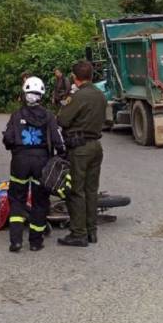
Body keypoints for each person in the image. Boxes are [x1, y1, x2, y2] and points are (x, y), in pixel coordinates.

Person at [2, 77, 65, 252]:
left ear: (24, 94)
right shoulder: (49, 116)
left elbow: (8, 139)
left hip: (20, 162)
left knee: (17, 200)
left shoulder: (16, 115)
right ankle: (35, 242)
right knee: (40, 201)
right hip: (42, 162)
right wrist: (62, 157)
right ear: (41, 95)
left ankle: (15, 241)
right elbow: (58, 142)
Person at [56, 61, 106, 247]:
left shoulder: (78, 96)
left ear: (75, 78)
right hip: (96, 146)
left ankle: (78, 233)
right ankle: (92, 231)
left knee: (76, 191)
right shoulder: (100, 95)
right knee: (91, 191)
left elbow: (62, 119)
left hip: (79, 149)